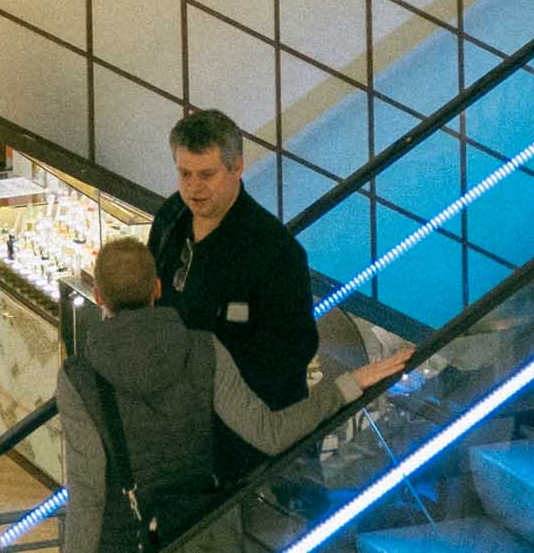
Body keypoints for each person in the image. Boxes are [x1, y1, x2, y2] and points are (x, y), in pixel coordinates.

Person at [60, 237, 402, 553]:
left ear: (100, 295)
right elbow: (271, 434)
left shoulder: (79, 378)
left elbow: (88, 495)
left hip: (124, 541)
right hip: (201, 532)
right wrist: (346, 385)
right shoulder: (204, 350)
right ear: (158, 288)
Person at [147, 107, 318, 476]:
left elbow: (297, 345)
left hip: (247, 445)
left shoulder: (274, 251)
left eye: (207, 175)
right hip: (182, 429)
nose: (193, 188)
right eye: (184, 174)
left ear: (237, 168)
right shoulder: (170, 219)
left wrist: (218, 386)